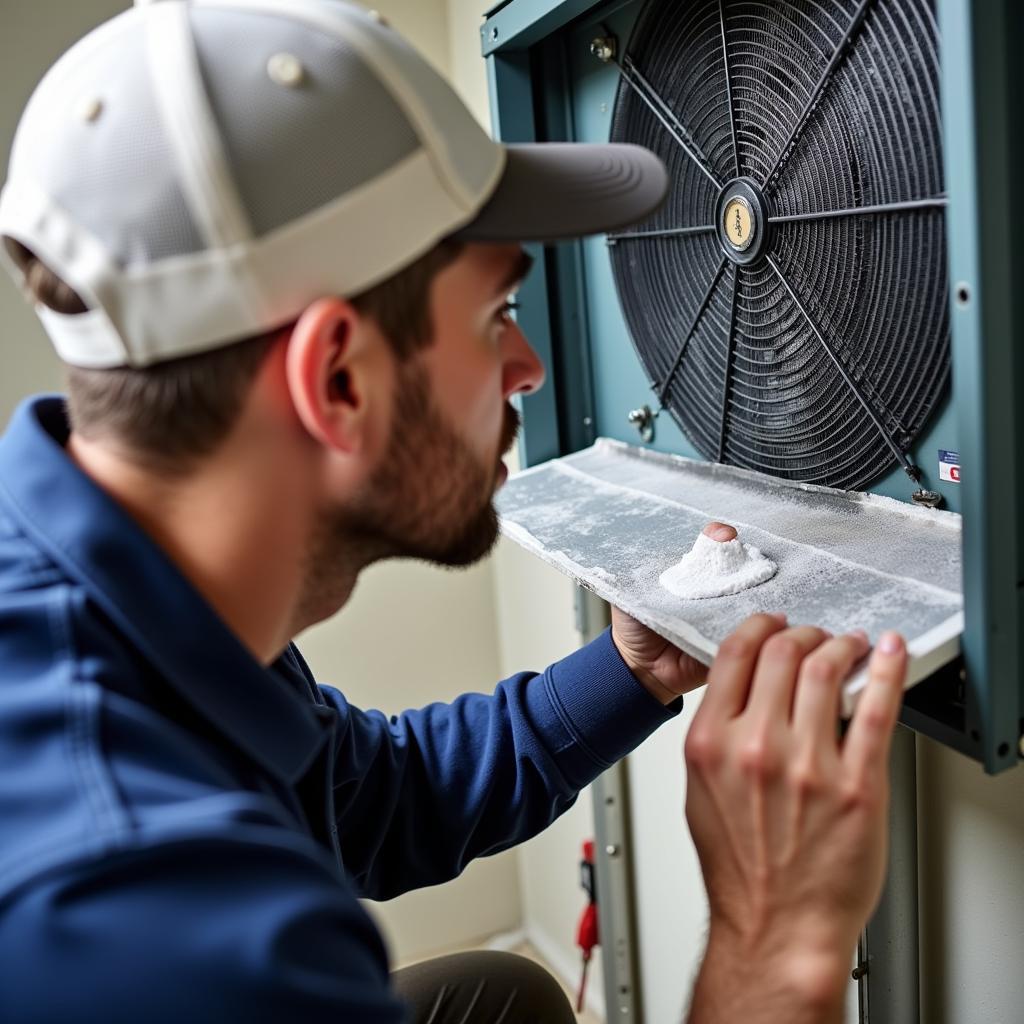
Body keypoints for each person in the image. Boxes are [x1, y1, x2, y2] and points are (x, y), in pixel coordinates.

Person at [0, 2, 907, 1021]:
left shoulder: (127, 586)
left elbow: (363, 799)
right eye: (495, 317)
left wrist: (628, 671)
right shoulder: (154, 922)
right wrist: (775, 937)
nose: (529, 369)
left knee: (495, 995)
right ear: (337, 380)